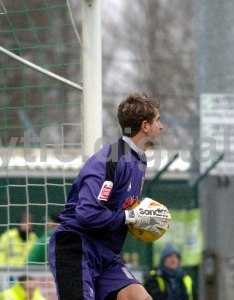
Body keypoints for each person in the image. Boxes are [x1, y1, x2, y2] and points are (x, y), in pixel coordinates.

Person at [48, 93, 167, 300]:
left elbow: (124, 208)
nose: (162, 126)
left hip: (106, 253)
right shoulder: (110, 160)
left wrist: (138, 218)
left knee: (140, 298)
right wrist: (131, 217)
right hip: (76, 247)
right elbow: (87, 214)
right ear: (145, 126)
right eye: (157, 120)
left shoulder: (139, 161)